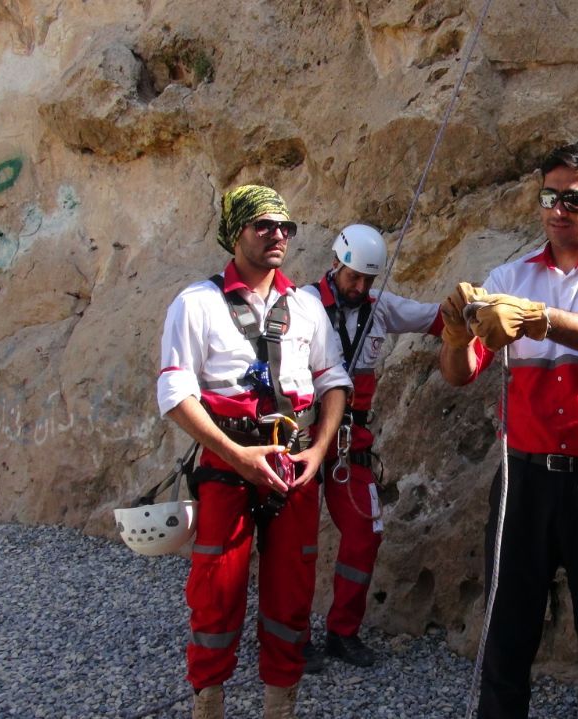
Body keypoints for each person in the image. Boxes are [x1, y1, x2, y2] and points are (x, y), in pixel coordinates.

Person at [439, 141, 578, 719]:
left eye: (573, 199)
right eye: (548, 196)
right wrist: (456, 336)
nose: (558, 209)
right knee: (506, 643)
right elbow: (461, 374)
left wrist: (540, 319)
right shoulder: (508, 276)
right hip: (524, 481)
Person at [156, 185, 351, 719]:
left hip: (294, 462)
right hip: (227, 462)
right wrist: (234, 455)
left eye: (286, 227)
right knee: (215, 589)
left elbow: (334, 380)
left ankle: (279, 706)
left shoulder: (305, 305)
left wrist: (319, 450)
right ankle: (208, 702)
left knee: (292, 590)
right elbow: (175, 392)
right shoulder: (197, 303)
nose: (278, 235)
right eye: (264, 225)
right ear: (235, 232)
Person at [298, 223, 442, 670]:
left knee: (366, 533)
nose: (360, 287)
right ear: (335, 265)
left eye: (368, 279)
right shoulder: (302, 304)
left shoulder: (380, 308)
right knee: (296, 543)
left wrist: (474, 311)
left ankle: (343, 633)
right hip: (303, 438)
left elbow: (436, 318)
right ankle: (291, 637)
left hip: (350, 443)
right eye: (353, 277)